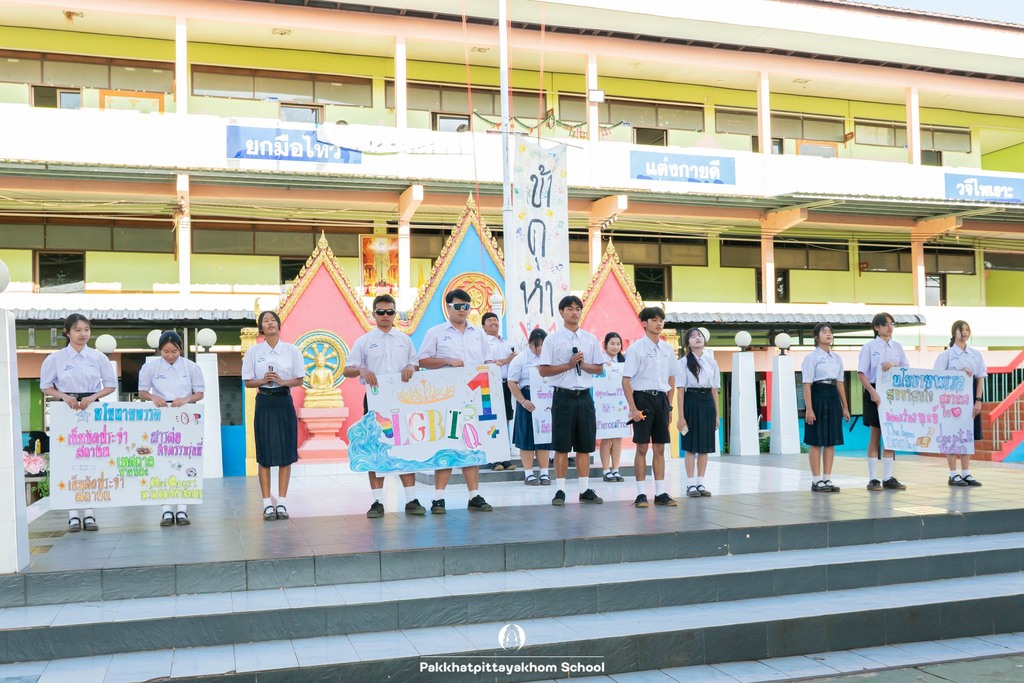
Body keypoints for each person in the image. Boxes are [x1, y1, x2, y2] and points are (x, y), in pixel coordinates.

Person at [344, 294, 426, 517]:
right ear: (374, 314)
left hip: (402, 400)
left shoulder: (404, 340)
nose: (385, 316)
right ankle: (377, 502)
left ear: (395, 313)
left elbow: (415, 364)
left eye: (390, 312)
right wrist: (361, 370)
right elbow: (347, 370)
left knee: (405, 447)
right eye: (380, 312)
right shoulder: (364, 341)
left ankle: (411, 500)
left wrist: (411, 368)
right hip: (375, 401)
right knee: (374, 447)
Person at [417, 288, 495, 513]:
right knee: (446, 446)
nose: (462, 310)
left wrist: (493, 372)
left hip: (474, 397)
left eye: (466, 306)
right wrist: (447, 361)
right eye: (458, 306)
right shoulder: (436, 332)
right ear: (448, 307)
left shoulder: (478, 334)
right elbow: (422, 360)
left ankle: (474, 496)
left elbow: (487, 361)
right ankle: (438, 498)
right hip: (446, 398)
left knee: (472, 444)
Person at [40, 313, 116, 533]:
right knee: (69, 459)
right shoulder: (55, 359)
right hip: (66, 409)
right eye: (78, 330)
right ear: (67, 332)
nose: (83, 334)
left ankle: (90, 513)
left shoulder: (98, 357)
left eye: (86, 330)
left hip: (92, 408)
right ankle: (73, 514)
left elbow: (110, 384)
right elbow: (45, 385)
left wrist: (93, 397)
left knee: (93, 458)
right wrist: (64, 396)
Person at [538, 295, 606, 506]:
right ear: (561, 312)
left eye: (578, 309)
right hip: (563, 396)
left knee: (584, 445)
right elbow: (543, 370)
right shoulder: (552, 340)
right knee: (561, 446)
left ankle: (584, 490)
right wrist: (568, 365)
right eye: (570, 308)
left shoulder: (590, 339)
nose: (574, 312)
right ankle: (560, 490)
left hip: (584, 396)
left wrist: (582, 365)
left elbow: (599, 368)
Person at [242, 311, 305, 521]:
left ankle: (283, 503)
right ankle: (267, 504)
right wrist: (263, 380)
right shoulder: (253, 352)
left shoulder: (291, 350)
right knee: (265, 454)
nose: (269, 323)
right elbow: (247, 382)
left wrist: (283, 381)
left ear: (279, 325)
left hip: (284, 400)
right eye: (265, 321)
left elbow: (299, 379)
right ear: (261, 328)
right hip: (264, 401)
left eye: (273, 320)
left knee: (286, 453)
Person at [138, 331, 205, 526]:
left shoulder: (191, 367)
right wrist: (153, 397)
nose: (170, 356)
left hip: (185, 414)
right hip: (161, 414)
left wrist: (186, 399)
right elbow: (142, 391)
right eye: (166, 352)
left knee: (186, 458)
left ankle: (182, 509)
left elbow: (200, 392)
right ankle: (166, 510)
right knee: (161, 460)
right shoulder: (150, 367)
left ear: (180, 349)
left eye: (174, 352)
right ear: (159, 350)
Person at [622, 307, 677, 507]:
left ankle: (660, 493)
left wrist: (669, 406)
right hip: (642, 399)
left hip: (661, 400)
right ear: (644, 323)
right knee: (642, 446)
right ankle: (641, 494)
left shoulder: (667, 349)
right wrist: (633, 408)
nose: (659, 323)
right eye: (654, 319)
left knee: (660, 447)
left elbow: (672, 378)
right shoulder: (636, 349)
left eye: (661, 319)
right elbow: (626, 380)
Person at [857, 311, 910, 492]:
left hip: (893, 393)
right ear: (877, 327)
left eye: (892, 323)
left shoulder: (897, 346)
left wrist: (894, 365)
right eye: (886, 324)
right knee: (875, 433)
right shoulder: (869, 347)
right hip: (875, 390)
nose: (890, 327)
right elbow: (861, 373)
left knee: (891, 434)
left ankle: (888, 477)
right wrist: (872, 391)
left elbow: (906, 368)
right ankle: (873, 479)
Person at [934, 319, 986, 487]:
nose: (964, 332)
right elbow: (937, 379)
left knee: (966, 435)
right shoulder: (946, 356)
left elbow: (980, 378)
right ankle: (953, 474)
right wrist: (959, 373)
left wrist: (978, 400)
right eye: (961, 329)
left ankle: (965, 473)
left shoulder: (976, 355)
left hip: (970, 397)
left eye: (967, 329)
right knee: (952, 437)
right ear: (954, 332)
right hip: (951, 401)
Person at [801, 323, 849, 493]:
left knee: (830, 440)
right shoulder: (811, 357)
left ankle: (827, 478)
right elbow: (807, 384)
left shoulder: (837, 358)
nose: (828, 334)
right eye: (824, 332)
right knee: (816, 441)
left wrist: (845, 407)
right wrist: (809, 408)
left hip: (833, 396)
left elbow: (840, 383)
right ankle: (816, 480)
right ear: (816, 337)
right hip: (817, 395)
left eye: (830, 332)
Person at [676, 327, 719, 498]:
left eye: (699, 335)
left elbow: (714, 389)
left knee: (705, 447)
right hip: (691, 401)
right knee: (690, 446)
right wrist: (681, 417)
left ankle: (700, 482)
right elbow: (680, 390)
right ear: (688, 343)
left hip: (707, 402)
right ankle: (690, 484)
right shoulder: (683, 362)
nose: (697, 338)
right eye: (693, 336)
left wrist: (717, 415)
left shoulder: (711, 362)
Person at [507, 328, 552, 486]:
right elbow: (512, 382)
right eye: (537, 345)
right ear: (531, 343)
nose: (540, 348)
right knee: (526, 437)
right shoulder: (520, 359)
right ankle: (529, 473)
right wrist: (522, 400)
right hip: (527, 399)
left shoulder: (550, 358)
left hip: (545, 400)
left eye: (543, 345)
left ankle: (545, 473)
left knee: (544, 437)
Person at [482, 311, 517, 471]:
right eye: (489, 320)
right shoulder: (483, 343)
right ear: (483, 326)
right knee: (492, 421)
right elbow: (485, 363)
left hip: (505, 385)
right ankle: (493, 459)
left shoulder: (507, 344)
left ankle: (504, 457)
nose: (493, 322)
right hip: (488, 386)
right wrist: (506, 360)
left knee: (505, 421)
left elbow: (513, 364)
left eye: (495, 320)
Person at [599, 332, 626, 483]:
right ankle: (606, 470)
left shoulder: (624, 362)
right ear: (605, 345)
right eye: (612, 343)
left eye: (618, 344)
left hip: (620, 403)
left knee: (617, 437)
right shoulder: (599, 361)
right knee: (606, 437)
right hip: (604, 402)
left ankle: (615, 469)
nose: (615, 347)